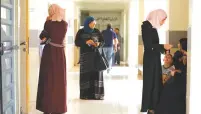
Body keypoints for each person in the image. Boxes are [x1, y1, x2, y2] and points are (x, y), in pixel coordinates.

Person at [36, 4, 67, 114]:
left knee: (48, 79)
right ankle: (58, 107)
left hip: (50, 52)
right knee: (58, 80)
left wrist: (45, 38)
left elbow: (44, 37)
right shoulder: (64, 24)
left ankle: (47, 107)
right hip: (59, 53)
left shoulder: (48, 23)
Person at [140, 9, 173, 114]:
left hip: (154, 58)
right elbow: (149, 45)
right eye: (163, 20)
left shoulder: (153, 28)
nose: (163, 22)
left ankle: (153, 106)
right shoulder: (146, 26)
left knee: (155, 81)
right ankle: (149, 106)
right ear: (157, 17)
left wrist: (165, 50)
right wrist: (163, 46)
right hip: (150, 59)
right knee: (150, 82)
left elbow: (154, 45)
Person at [75, 16, 105, 100]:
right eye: (92, 23)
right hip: (85, 57)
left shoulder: (97, 31)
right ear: (88, 23)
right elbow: (77, 42)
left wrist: (99, 44)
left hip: (96, 56)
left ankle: (97, 95)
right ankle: (85, 95)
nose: (94, 25)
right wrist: (86, 42)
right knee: (86, 76)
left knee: (97, 74)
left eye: (95, 23)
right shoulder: (81, 32)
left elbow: (103, 41)